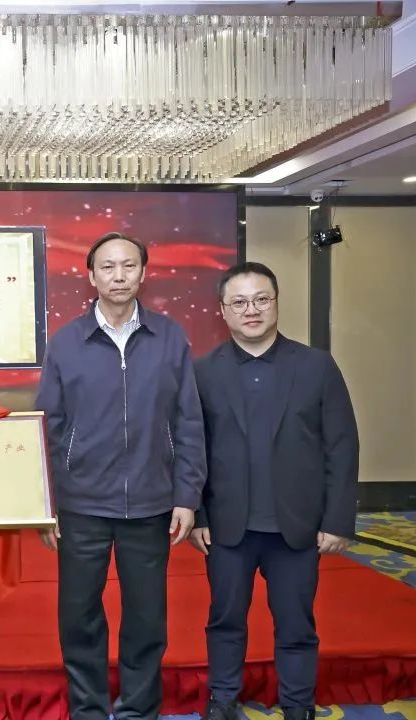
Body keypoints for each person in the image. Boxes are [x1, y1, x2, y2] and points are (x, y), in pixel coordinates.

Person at [35, 231, 207, 720]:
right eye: (107, 267)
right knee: (79, 616)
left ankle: (138, 709)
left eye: (128, 266)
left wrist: (186, 495)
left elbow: (188, 421)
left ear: (143, 274)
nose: (118, 276)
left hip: (152, 502)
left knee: (147, 619)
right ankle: (88, 709)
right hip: (81, 504)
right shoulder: (67, 342)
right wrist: (46, 504)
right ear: (91, 276)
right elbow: (48, 427)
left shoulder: (169, 337)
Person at [191, 262, 358, 720]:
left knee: (297, 625)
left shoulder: (316, 366)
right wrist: (198, 515)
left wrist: (338, 520)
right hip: (227, 527)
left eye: (261, 299)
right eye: (240, 302)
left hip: (297, 526)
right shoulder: (202, 372)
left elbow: (342, 446)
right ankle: (222, 700)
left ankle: (298, 705)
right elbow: (192, 449)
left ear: (277, 303)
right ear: (223, 310)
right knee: (225, 621)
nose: (252, 310)